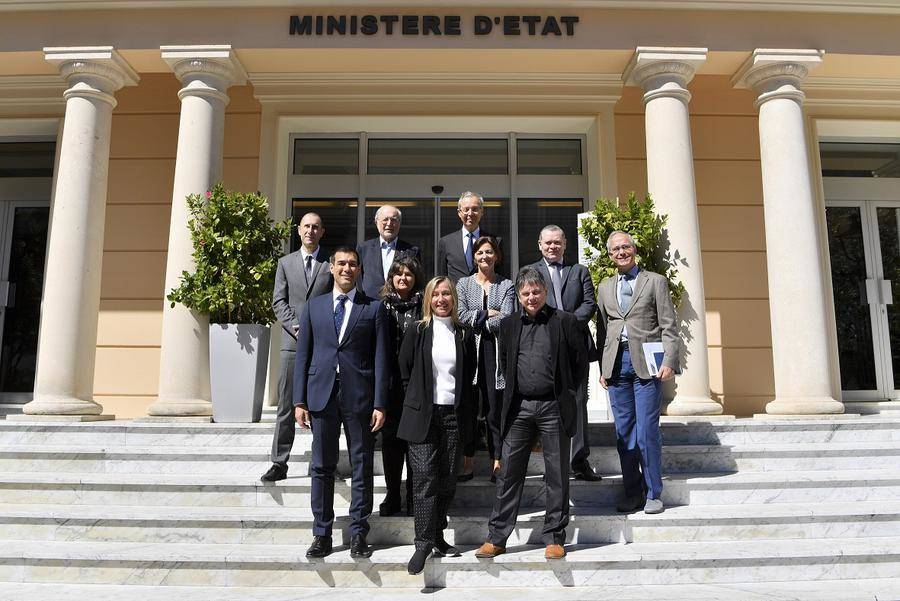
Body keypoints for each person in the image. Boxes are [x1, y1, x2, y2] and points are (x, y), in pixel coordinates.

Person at [475, 267, 588, 561]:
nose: (531, 297)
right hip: (520, 408)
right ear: (519, 296)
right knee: (509, 473)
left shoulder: (565, 321)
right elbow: (505, 363)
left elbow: (579, 365)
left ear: (545, 292)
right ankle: (497, 537)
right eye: (525, 293)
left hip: (554, 407)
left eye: (536, 291)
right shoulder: (509, 324)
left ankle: (554, 537)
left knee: (557, 474)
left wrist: (572, 397)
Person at [293, 246, 390, 559]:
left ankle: (359, 533)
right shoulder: (313, 307)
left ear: (359, 270)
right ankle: (321, 533)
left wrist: (380, 402)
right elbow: (303, 356)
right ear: (331, 268)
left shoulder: (373, 308)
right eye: (341, 264)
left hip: (359, 398)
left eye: (353, 264)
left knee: (361, 465)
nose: (347, 269)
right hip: (321, 396)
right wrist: (299, 400)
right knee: (322, 467)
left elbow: (380, 359)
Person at [397, 276, 476, 575]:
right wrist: (416, 399)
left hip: (453, 416)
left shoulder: (464, 333)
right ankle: (422, 543)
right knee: (425, 479)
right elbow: (404, 369)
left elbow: (469, 375)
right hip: (423, 416)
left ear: (454, 298)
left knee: (447, 480)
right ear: (428, 299)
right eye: (436, 294)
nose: (441, 299)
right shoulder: (417, 330)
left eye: (447, 294)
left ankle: (438, 536)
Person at [596, 230, 679, 515]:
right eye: (616, 249)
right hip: (617, 365)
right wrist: (603, 367)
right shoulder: (605, 287)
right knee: (625, 434)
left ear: (634, 249)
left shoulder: (655, 281)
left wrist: (669, 360)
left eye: (626, 247)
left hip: (647, 365)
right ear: (609, 255)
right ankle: (633, 492)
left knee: (646, 432)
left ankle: (654, 492)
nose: (621, 252)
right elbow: (603, 329)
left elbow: (669, 325)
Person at [261, 213, 332, 483]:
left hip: (323, 343)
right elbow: (278, 301)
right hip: (293, 343)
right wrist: (296, 326)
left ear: (322, 232)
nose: (311, 231)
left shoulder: (330, 264)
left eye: (316, 227)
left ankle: (322, 463)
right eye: (307, 227)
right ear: (299, 230)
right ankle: (279, 462)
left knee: (322, 405)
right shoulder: (285, 263)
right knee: (287, 406)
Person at [529, 225, 600, 482]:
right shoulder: (530, 272)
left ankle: (579, 461)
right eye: (547, 243)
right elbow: (528, 303)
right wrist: (554, 324)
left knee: (578, 402)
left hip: (575, 347)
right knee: (548, 404)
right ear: (539, 244)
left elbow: (589, 304)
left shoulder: (579, 271)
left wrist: (564, 323)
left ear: (565, 244)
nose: (552, 247)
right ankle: (554, 462)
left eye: (557, 242)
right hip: (544, 348)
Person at [455, 236, 515, 482]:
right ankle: (467, 460)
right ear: (474, 257)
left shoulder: (507, 285)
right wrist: (486, 314)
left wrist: (477, 320)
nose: (485, 257)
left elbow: (508, 317)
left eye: (489, 252)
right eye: (480, 252)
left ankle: (496, 460)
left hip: (495, 353)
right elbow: (459, 315)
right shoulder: (463, 284)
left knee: (494, 408)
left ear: (496, 256)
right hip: (469, 351)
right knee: (468, 408)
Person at [377, 256, 425, 517]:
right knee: (391, 443)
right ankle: (392, 494)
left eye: (408, 274)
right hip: (390, 384)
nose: (403, 278)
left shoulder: (423, 306)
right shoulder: (381, 307)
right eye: (398, 274)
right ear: (391, 278)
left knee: (414, 443)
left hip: (417, 383)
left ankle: (413, 498)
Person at [357, 204, 421, 298]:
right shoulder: (363, 248)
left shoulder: (412, 251)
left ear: (399, 224)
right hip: (370, 305)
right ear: (376, 222)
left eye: (394, 220)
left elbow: (416, 282)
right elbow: (357, 279)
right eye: (385, 219)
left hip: (400, 306)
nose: (389, 223)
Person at [437, 191, 501, 283]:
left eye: (474, 209)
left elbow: (501, 274)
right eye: (466, 209)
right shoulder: (446, 242)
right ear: (459, 213)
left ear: (481, 211)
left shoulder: (495, 241)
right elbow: (441, 277)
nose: (470, 213)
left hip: (486, 295)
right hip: (456, 295)